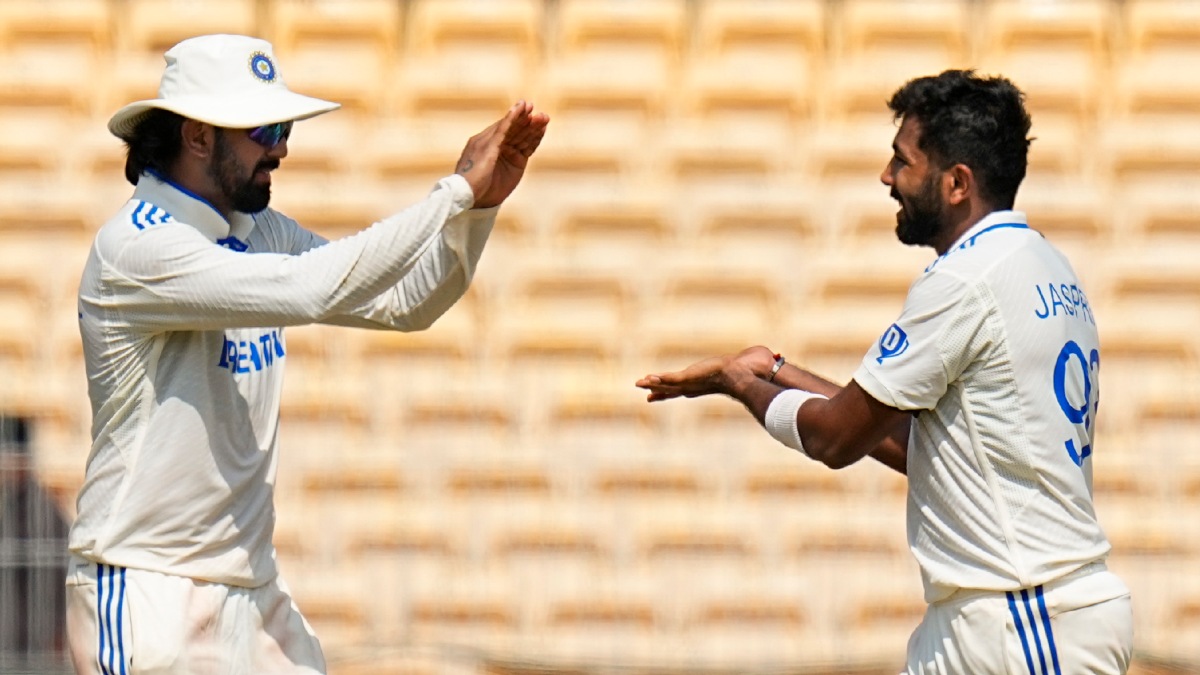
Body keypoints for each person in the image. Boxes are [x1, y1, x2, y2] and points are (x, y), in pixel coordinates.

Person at [65, 34, 547, 674]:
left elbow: (407, 303)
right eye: (264, 130)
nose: (282, 148)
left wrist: (477, 209)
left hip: (251, 587)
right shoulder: (138, 247)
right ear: (198, 137)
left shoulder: (260, 230)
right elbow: (312, 289)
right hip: (150, 588)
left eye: (284, 127)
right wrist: (452, 192)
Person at [636, 70, 1132, 674]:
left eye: (903, 160)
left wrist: (739, 385)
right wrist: (777, 370)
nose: (887, 176)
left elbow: (835, 438)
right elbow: (924, 444)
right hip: (999, 614)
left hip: (1023, 617)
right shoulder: (1043, 262)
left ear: (956, 183)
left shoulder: (965, 281)